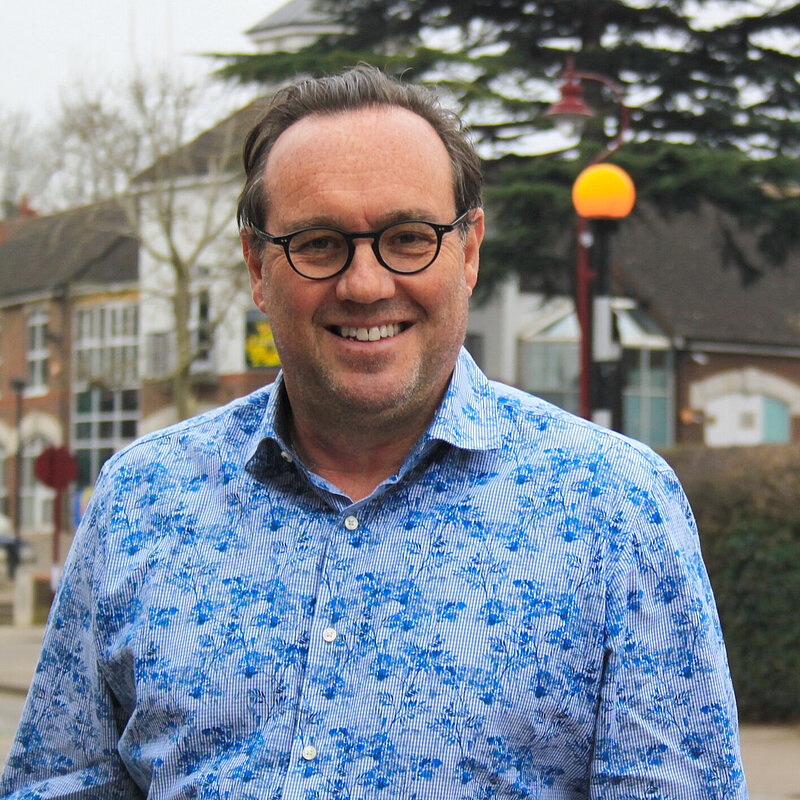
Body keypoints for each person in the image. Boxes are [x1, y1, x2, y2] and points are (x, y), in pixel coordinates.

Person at [1, 65, 747, 799]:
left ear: (470, 252)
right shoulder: (141, 501)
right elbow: (61, 783)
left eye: (408, 237)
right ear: (258, 266)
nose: (365, 285)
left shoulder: (616, 509)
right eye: (320, 243)